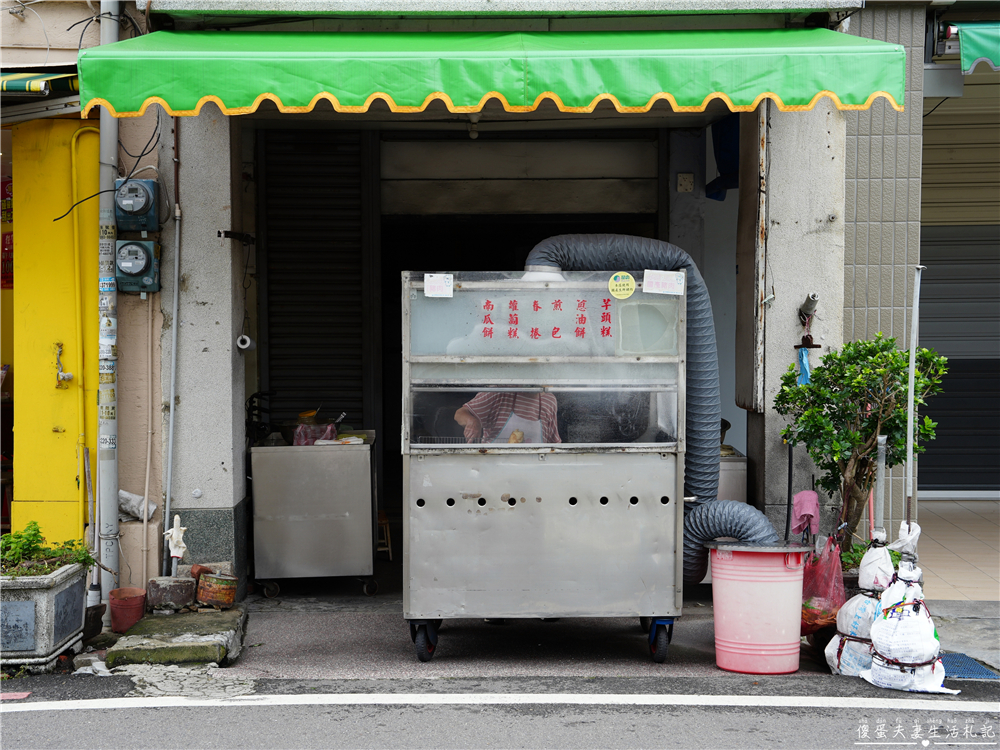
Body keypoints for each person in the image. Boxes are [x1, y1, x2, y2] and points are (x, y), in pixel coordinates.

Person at [454, 391, 561, 444]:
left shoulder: (549, 400)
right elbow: (460, 413)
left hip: (532, 471)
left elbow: (553, 443)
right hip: (494, 467)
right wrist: (472, 421)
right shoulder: (499, 392)